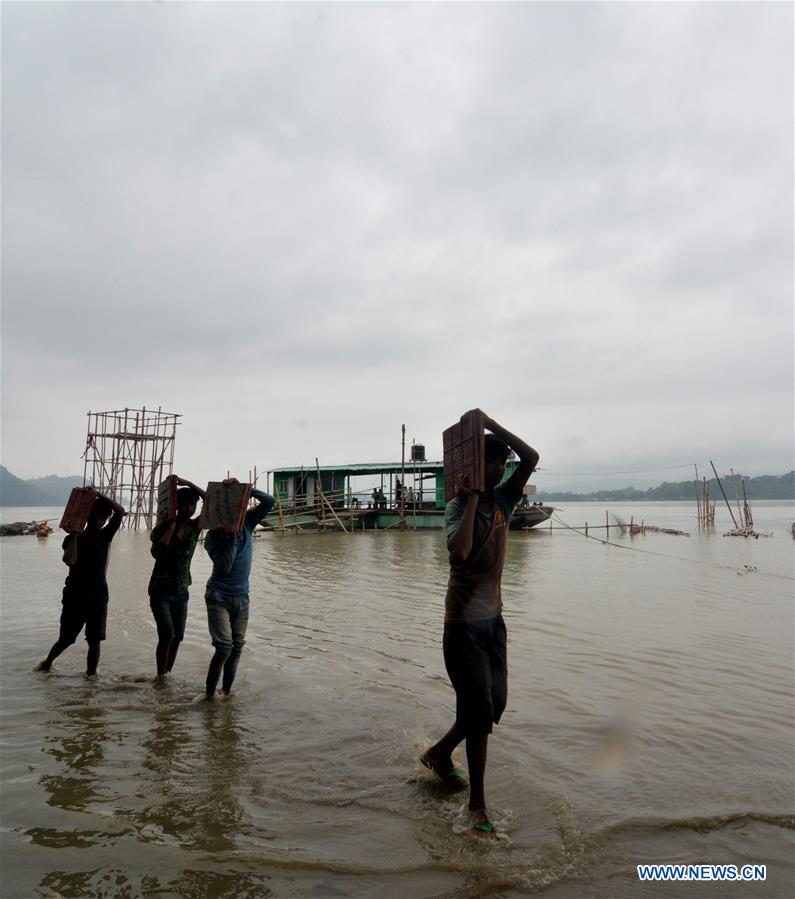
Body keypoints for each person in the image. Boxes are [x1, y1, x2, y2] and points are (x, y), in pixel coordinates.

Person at [421, 413, 539, 834]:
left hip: (494, 621)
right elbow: (461, 551)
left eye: (500, 463)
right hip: (462, 626)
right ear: (476, 466)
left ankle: (439, 752)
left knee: (494, 706)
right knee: (480, 710)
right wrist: (470, 497)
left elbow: (532, 456)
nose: (497, 468)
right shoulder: (456, 507)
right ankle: (477, 805)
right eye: (490, 461)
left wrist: (491, 424)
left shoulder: (506, 499)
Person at [35, 490, 127, 677]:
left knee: (95, 640)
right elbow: (70, 560)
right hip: (74, 596)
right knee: (67, 639)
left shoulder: (105, 535)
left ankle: (91, 677)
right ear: (88, 516)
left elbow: (120, 511)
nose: (99, 521)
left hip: (99, 596)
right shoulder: (72, 539)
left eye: (102, 518)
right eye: (96, 517)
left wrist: (98, 495)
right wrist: (76, 535)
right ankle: (47, 663)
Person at [203, 483, 275, 698]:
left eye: (239, 506)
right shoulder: (212, 537)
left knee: (236, 648)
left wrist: (246, 491)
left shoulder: (249, 523)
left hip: (242, 597)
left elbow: (270, 502)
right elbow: (225, 565)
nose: (237, 512)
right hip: (218, 596)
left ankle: (225, 694)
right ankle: (208, 697)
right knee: (224, 647)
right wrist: (231, 538)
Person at [148, 478, 206, 679]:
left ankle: (166, 675)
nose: (190, 509)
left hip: (181, 591)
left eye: (193, 505)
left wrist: (187, 482)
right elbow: (157, 553)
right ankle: (160, 676)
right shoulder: (162, 528)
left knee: (177, 638)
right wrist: (172, 527)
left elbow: (211, 501)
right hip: (160, 590)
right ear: (177, 505)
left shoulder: (194, 526)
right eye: (186, 504)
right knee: (167, 635)